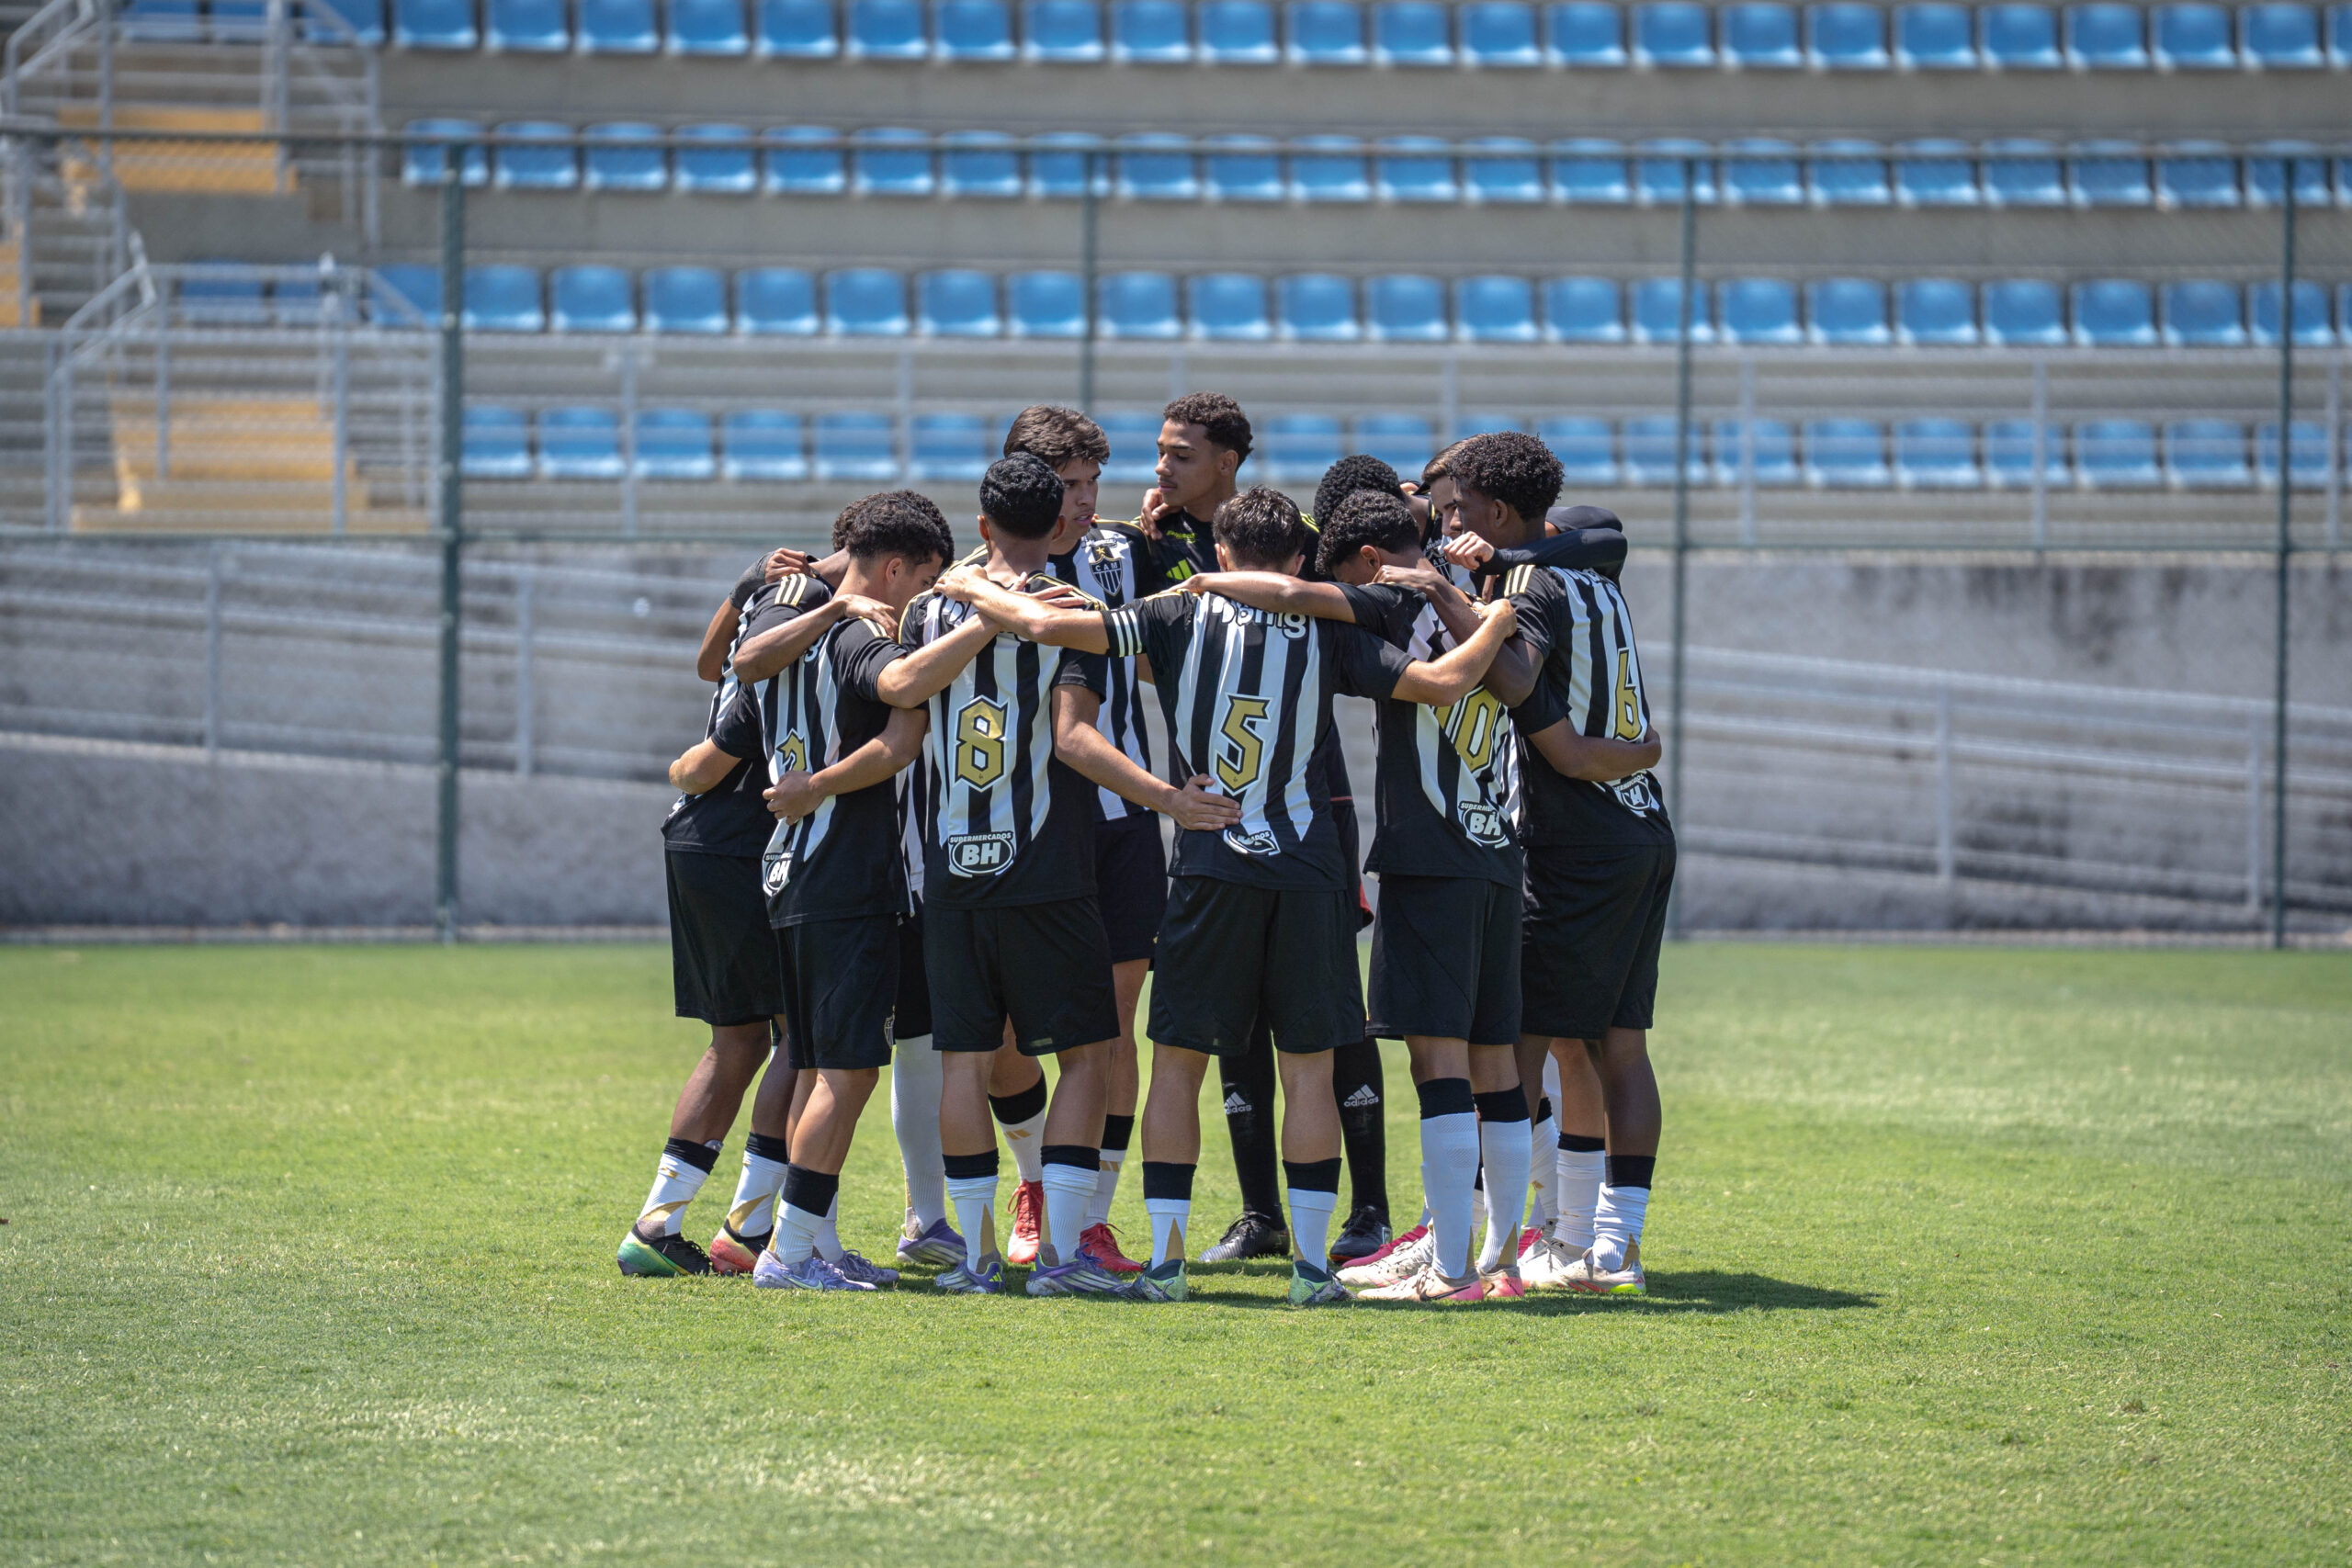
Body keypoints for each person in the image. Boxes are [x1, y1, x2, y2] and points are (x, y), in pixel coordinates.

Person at [942, 486, 1518, 1307]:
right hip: (1309, 869)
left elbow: (1043, 627)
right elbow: (1439, 684)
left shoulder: (1174, 615)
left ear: (1219, 555)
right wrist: (1495, 619)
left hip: (1210, 863)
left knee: (1176, 1066)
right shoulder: (1327, 625)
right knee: (1309, 1068)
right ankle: (1313, 1270)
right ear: (1295, 563)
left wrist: (969, 589)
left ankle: (1170, 1263)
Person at [897, 454, 1239, 1297]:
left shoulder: (928, 607)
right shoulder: (1076, 610)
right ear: (1060, 527)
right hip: (1051, 863)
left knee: (965, 1060)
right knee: (1090, 1053)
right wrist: (1168, 798)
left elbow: (902, 722)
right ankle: (1061, 1254)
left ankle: (975, 1260)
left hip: (953, 865)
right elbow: (1073, 739)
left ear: (981, 527)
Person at [670, 493, 966, 1289]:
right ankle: (793, 1252)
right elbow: (901, 718)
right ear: (895, 566)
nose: (925, 599)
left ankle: (797, 1240)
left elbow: (737, 667)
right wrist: (982, 624)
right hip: (845, 874)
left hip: (785, 869)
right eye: (926, 580)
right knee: (846, 1071)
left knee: (806, 1063)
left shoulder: (788, 638)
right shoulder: (864, 634)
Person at [1138, 403, 1393, 1267]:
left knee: (1327, 1026)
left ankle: (1371, 1208)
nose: (1164, 467)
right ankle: (1265, 1217)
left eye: (1181, 454)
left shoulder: (1302, 541)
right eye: (1162, 452)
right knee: (1244, 1032)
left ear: (1229, 462)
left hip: (1311, 802)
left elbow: (1370, 567)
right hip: (1223, 813)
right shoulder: (1153, 543)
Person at [1442, 432, 1672, 1297]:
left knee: (1514, 1045)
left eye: (1460, 506)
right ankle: (1599, 1241)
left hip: (1575, 842)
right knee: (1616, 1045)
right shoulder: (1592, 577)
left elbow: (1513, 677)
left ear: (1498, 513)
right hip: (1642, 832)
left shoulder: (1532, 584)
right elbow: (1598, 536)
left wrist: (1454, 597)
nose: (1450, 521)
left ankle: (1484, 1248)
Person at [617, 549, 830, 1279]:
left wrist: (744, 584)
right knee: (793, 1036)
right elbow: (713, 755)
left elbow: (711, 665)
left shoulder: (769, 599)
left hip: (704, 841)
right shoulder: (803, 619)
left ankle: (674, 1222)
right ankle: (739, 1226)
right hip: (737, 843)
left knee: (741, 1040)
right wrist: (688, 769)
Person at [1010, 404, 1158, 1271]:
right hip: (1019, 822)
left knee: (1109, 1030)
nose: (1084, 500)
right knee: (998, 1037)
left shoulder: (1118, 552)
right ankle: (1035, 1182)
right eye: (1069, 484)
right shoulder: (981, 569)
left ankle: (1088, 1214)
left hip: (1121, 819)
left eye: (1094, 481)